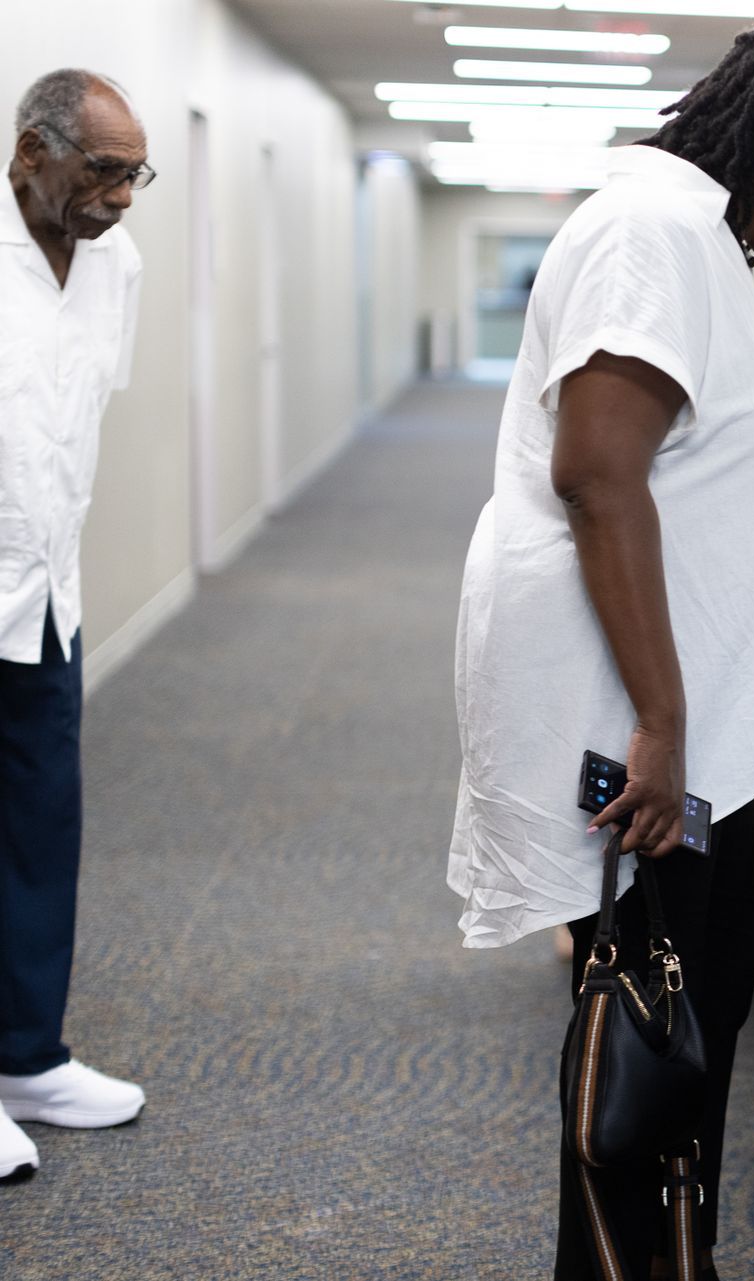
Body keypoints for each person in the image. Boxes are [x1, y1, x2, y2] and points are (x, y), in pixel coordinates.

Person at [445, 19, 754, 1280]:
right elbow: (597, 472)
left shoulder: (694, 237)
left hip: (684, 719)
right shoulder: (652, 230)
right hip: (643, 723)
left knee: (683, 1035)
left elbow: (680, 453)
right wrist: (664, 726)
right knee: (647, 1046)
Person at [0, 68, 151, 1185]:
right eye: (104, 172)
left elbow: (78, 422)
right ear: (30, 155)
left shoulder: (117, 270)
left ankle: (26, 1059)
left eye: (136, 174)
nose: (123, 198)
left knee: (41, 833)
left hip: (48, 597)